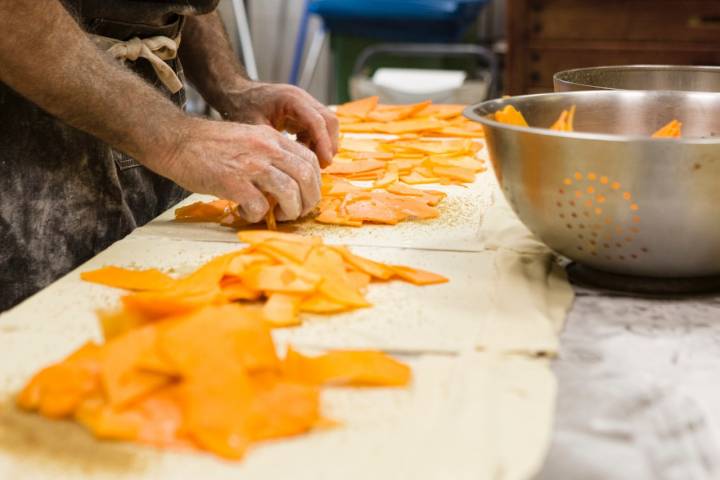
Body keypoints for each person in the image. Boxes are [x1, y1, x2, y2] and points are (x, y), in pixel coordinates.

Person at [0, 1, 338, 311]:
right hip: (26, 135)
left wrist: (231, 86)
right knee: (53, 344)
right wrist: (175, 139)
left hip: (151, 120)